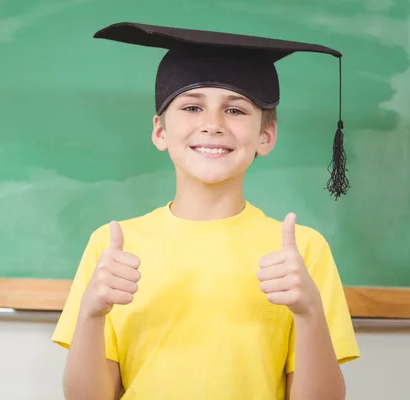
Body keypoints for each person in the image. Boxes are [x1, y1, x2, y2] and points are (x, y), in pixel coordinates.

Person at [51, 22, 360, 400]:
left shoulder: (301, 252)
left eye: (235, 109)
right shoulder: (114, 247)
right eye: (192, 107)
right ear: (160, 131)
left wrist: (310, 311)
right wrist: (90, 314)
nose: (212, 125)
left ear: (266, 135)